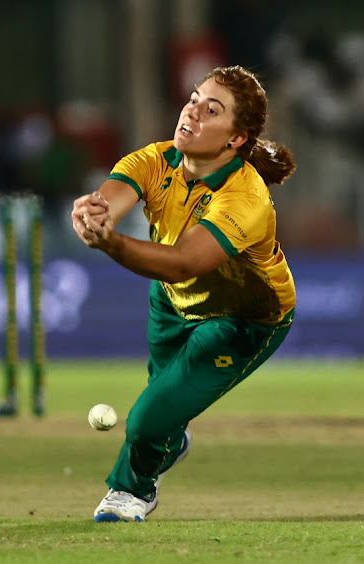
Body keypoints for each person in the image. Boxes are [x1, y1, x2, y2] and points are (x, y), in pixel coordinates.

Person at [71, 65, 297, 522]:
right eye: (193, 98)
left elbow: (184, 264)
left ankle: (130, 492)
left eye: (211, 110)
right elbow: (113, 199)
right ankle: (169, 441)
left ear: (236, 139)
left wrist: (110, 243)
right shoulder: (156, 159)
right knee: (163, 412)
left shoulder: (246, 197)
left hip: (242, 319)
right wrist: (94, 217)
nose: (191, 111)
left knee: (146, 421)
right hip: (173, 303)